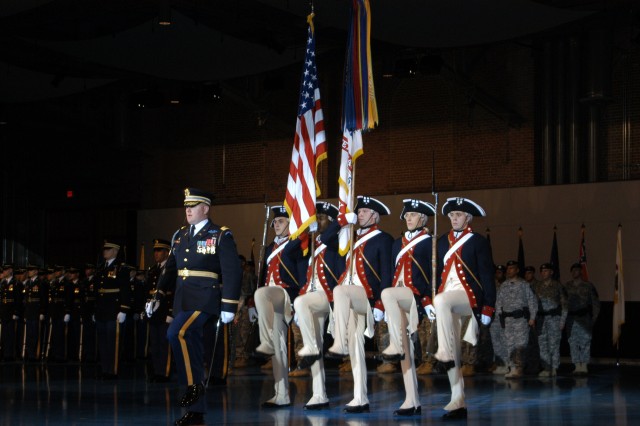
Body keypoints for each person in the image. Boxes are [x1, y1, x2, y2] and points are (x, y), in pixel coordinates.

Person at [149, 188, 242, 426]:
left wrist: (229, 304)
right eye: (186, 206)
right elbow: (170, 268)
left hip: (205, 299)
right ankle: (195, 411)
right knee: (193, 349)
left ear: (205, 208)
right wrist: (158, 294)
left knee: (176, 333)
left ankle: (192, 390)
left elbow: (232, 271)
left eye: (193, 205)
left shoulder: (220, 234)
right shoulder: (179, 235)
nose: (188, 210)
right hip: (183, 300)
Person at [428, 197, 495, 420]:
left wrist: (488, 306)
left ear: (467, 218)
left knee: (442, 300)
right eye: (451, 215)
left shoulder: (478, 241)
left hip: (468, 297)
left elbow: (486, 275)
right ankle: (458, 400)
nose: (454, 219)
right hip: (447, 300)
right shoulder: (441, 241)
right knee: (455, 353)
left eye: (458, 215)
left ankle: (443, 348)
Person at [325, 195, 393, 414]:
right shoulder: (348, 238)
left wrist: (381, 303)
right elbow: (326, 239)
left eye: (363, 212)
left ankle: (338, 342)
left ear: (374, 215)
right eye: (359, 212)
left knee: (339, 290)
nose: (360, 214)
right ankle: (360, 397)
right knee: (357, 348)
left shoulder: (383, 238)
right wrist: (342, 221)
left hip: (366, 296)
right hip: (347, 299)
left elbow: (385, 274)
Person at [381, 199, 435, 416]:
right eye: (407, 215)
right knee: (407, 349)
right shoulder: (397, 243)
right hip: (396, 299)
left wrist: (429, 300)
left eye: (412, 215)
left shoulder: (429, 241)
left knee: (408, 346)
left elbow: (434, 274)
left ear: (423, 218)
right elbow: (391, 272)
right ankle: (411, 399)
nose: (408, 219)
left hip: (416, 297)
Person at [249, 205, 306, 408]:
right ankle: (280, 394)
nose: (276, 225)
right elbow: (263, 277)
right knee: (277, 346)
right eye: (274, 222)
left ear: (290, 224)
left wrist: (300, 299)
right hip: (269, 301)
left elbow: (301, 276)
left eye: (280, 221)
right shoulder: (269, 248)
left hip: (287, 296)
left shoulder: (296, 245)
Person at [294, 201, 344, 410]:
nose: (317, 222)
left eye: (321, 218)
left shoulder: (336, 239)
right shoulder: (311, 243)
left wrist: (339, 221)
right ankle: (319, 393)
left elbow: (331, 236)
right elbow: (289, 252)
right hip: (311, 299)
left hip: (331, 297)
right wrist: (305, 228)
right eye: (316, 218)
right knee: (314, 341)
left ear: (331, 221)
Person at [495, 260, 538, 378]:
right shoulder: (504, 285)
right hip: (507, 320)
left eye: (512, 268)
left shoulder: (524, 284)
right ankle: (512, 367)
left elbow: (532, 301)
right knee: (509, 344)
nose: (510, 271)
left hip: (520, 320)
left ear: (517, 270)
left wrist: (532, 317)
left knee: (520, 345)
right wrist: (499, 317)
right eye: (508, 269)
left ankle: (519, 368)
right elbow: (499, 303)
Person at [95, 242, 131, 378]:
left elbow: (125, 290)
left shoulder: (121, 268)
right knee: (103, 342)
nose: (105, 251)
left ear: (115, 251)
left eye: (108, 249)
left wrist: (124, 309)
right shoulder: (101, 268)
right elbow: (98, 291)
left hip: (114, 310)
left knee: (113, 342)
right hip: (102, 310)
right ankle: (105, 369)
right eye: (104, 249)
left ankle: (113, 370)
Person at [146, 238, 176, 383]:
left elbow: (174, 292)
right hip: (153, 311)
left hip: (165, 311)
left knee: (165, 344)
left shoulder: (171, 269)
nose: (156, 254)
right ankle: (157, 371)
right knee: (155, 344)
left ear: (167, 252)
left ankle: (165, 372)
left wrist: (171, 313)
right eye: (155, 251)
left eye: (159, 251)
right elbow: (149, 292)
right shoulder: (153, 270)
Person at [563, 262, 600, 375]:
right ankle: (576, 365)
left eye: (577, 270)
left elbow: (595, 303)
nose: (575, 272)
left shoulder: (588, 286)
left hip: (584, 318)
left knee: (584, 342)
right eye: (573, 270)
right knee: (573, 342)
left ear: (581, 272)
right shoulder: (567, 286)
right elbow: (563, 303)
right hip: (571, 319)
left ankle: (583, 365)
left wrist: (593, 318)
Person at [532, 263, 567, 377]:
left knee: (554, 344)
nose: (543, 273)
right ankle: (546, 367)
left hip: (554, 319)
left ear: (551, 272)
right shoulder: (537, 286)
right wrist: (533, 318)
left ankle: (554, 368)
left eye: (546, 271)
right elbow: (533, 303)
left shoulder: (557, 285)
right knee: (542, 345)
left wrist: (562, 320)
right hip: (541, 319)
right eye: (542, 271)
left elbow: (564, 304)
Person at [22, 265, 48, 362]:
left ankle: (35, 354)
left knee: (35, 334)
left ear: (36, 271)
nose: (29, 272)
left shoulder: (40, 283)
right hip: (29, 312)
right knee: (29, 334)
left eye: (31, 270)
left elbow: (43, 299)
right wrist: (25, 314)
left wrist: (42, 312)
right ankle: (30, 353)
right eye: (29, 270)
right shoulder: (28, 282)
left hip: (36, 312)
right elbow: (26, 300)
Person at [0, 264, 23, 361]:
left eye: (5, 270)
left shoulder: (16, 283)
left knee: (10, 334)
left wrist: (16, 312)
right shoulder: (3, 283)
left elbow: (18, 299)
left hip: (11, 312)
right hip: (4, 312)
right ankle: (5, 353)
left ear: (10, 270)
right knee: (4, 334)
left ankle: (10, 354)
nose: (3, 272)